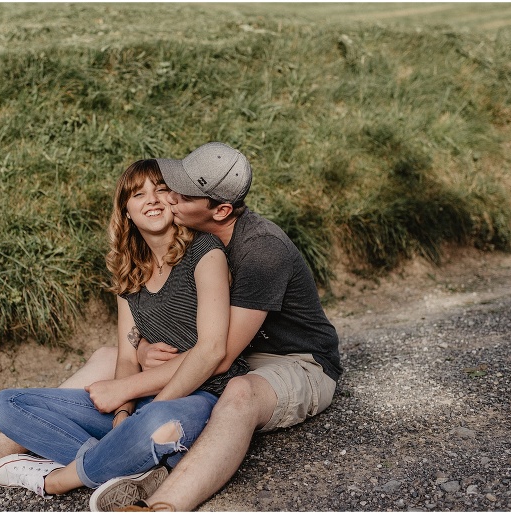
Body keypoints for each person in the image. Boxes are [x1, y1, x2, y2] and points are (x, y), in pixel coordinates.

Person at [0, 159, 249, 505]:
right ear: (126, 212)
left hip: (200, 397)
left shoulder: (204, 252)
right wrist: (123, 414)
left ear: (174, 200)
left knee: (155, 422)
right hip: (144, 400)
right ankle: (127, 467)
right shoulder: (129, 272)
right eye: (139, 194)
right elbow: (127, 358)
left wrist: (141, 414)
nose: (153, 199)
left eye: (161, 190)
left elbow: (212, 350)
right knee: (6, 404)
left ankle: (62, 476)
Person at [87, 141, 342, 511]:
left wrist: (131, 395)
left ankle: (163, 503)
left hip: (298, 361)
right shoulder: (193, 244)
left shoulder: (261, 251)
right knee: (106, 357)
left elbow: (217, 356)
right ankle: (8, 448)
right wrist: (140, 350)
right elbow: (175, 324)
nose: (168, 197)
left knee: (239, 393)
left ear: (221, 210)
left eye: (182, 194)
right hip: (242, 353)